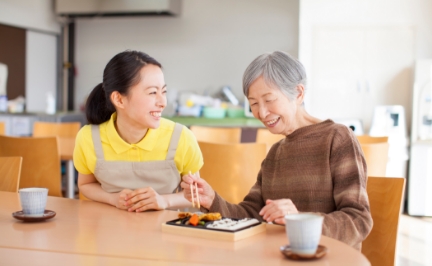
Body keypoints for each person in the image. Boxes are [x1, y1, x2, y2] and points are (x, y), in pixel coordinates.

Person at [181, 51, 373, 250]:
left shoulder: (337, 139)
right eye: (254, 104)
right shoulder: (275, 153)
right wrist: (213, 200)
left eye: (269, 99)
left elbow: (358, 220)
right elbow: (253, 214)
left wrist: (299, 220)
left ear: (298, 93)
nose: (262, 113)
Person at [74, 50, 203, 212]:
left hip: (163, 233)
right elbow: (85, 184)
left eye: (163, 91)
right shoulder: (88, 138)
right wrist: (112, 199)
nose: (163, 102)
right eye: (152, 93)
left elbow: (196, 194)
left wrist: (164, 201)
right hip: (109, 231)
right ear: (119, 99)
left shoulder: (181, 137)